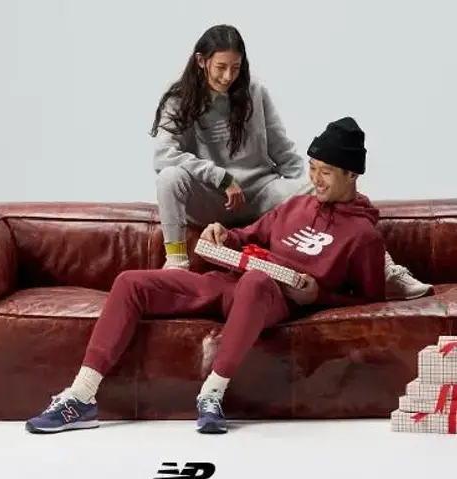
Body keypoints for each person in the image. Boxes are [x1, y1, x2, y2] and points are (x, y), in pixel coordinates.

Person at [27, 117, 390, 436]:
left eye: (326, 172)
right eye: (312, 168)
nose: (315, 179)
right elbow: (248, 236)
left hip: (270, 297)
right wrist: (223, 235)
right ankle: (81, 396)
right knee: (130, 283)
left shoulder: (364, 236)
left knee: (257, 281)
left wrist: (317, 295)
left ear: (352, 174)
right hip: (227, 283)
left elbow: (370, 301)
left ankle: (212, 394)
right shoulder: (295, 206)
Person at [151, 23, 432, 300]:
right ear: (201, 61)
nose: (228, 77)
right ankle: (176, 263)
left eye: (235, 68)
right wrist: (220, 177)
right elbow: (164, 155)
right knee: (169, 178)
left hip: (261, 193)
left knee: (328, 187)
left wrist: (310, 184)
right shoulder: (178, 99)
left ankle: (387, 271)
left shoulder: (254, 92)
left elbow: (282, 149)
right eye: (221, 67)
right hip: (212, 198)